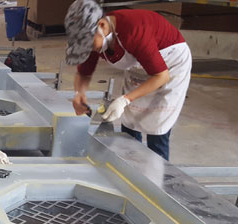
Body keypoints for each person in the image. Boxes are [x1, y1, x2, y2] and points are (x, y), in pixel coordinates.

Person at [64, 0, 192, 160]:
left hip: (170, 64)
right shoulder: (93, 37)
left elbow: (161, 76)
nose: (89, 49)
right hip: (140, 64)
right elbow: (84, 73)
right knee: (129, 121)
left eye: (89, 44)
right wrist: (79, 94)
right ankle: (130, 164)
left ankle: (159, 172)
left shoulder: (134, 31)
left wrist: (125, 99)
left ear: (102, 25)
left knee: (157, 127)